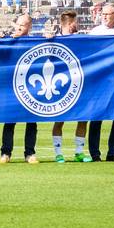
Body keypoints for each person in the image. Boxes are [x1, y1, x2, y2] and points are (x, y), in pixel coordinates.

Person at [87, 2, 114, 161]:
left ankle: (113, 152)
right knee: (96, 117)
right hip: (99, 80)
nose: (105, 17)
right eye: (103, 14)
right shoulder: (95, 32)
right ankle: (94, 153)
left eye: (108, 14)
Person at [48, 10, 89, 163]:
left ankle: (79, 152)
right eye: (76, 22)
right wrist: (47, 39)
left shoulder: (81, 39)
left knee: (84, 118)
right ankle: (58, 153)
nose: (78, 25)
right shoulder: (53, 39)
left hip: (79, 82)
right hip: (61, 84)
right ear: (71, 24)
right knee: (60, 119)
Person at [0, 13, 39, 164]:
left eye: (24, 24)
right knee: (9, 121)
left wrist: (51, 37)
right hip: (11, 87)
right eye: (19, 24)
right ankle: (5, 153)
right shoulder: (8, 41)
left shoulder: (36, 41)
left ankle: (30, 153)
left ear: (30, 26)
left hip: (30, 88)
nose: (20, 27)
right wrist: (0, 39)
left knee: (31, 121)